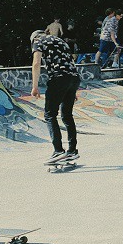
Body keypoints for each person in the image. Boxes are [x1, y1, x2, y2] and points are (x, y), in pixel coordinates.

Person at [30, 27, 81, 164]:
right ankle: (72, 150)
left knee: (50, 114)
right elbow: (70, 61)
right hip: (74, 78)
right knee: (67, 115)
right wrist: (73, 89)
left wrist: (35, 87)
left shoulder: (38, 40)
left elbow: (36, 63)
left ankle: (58, 150)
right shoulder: (60, 40)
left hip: (59, 78)